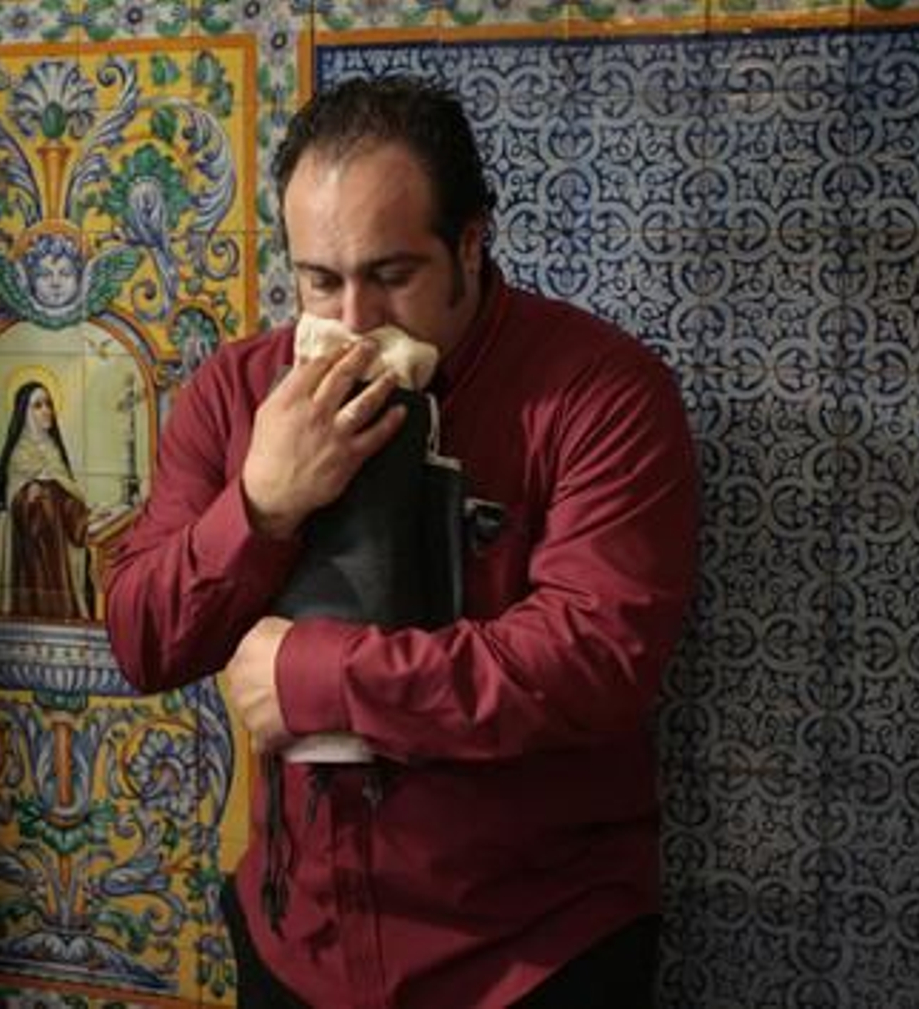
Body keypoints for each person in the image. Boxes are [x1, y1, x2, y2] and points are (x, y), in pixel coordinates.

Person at [103, 75, 699, 1008]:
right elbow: (142, 640)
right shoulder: (234, 391)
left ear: (470, 244)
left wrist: (310, 673)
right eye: (319, 280)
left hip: (533, 957)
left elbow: (595, 660)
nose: (352, 323)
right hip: (294, 941)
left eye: (390, 276)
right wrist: (259, 505)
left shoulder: (605, 395)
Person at [0, 380, 96, 619]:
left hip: (58, 547)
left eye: (48, 404)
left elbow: (66, 497)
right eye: (38, 405)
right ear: (24, 414)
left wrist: (86, 515)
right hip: (32, 553)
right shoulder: (19, 455)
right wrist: (30, 497)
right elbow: (13, 504)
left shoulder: (53, 450)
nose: (46, 411)